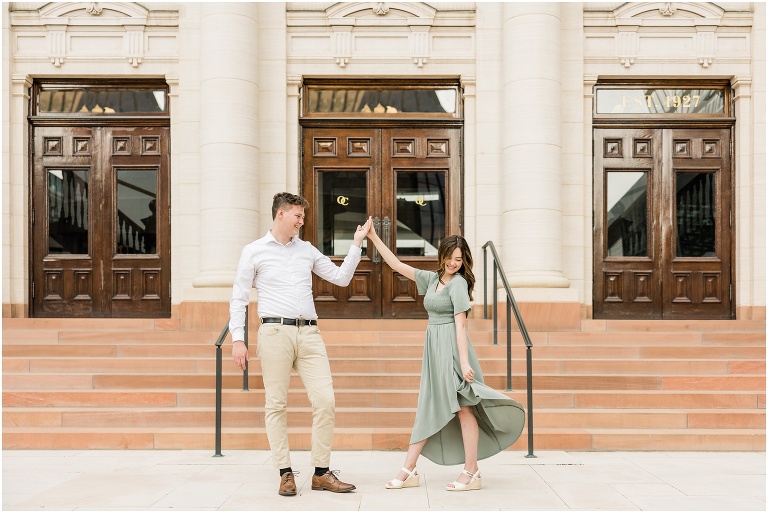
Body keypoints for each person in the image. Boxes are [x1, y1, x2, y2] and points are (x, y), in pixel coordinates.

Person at [229, 192, 371, 497]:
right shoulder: (254, 251)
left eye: (303, 216)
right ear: (280, 214)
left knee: (325, 400)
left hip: (309, 334)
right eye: (298, 215)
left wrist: (356, 243)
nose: (302, 221)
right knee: (276, 404)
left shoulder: (306, 250)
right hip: (274, 333)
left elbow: (341, 278)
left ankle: (321, 473)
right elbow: (239, 298)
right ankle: (285, 473)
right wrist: (238, 339)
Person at [365, 223, 526, 492]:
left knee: (464, 408)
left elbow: (461, 325)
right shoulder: (432, 280)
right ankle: (410, 469)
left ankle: (469, 471)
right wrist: (373, 237)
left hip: (452, 350)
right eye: (450, 257)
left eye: (458, 259)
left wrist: (463, 363)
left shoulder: (459, 283)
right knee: (429, 405)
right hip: (434, 350)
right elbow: (396, 265)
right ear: (442, 256)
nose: (453, 263)